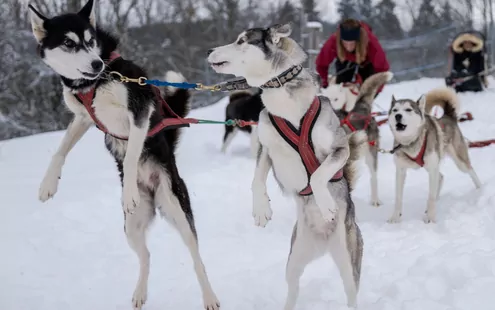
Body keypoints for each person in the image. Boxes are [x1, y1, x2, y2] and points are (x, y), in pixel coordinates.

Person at [315, 18, 390, 93]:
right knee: (341, 88)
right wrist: (324, 84)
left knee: (366, 90)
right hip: (344, 60)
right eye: (345, 43)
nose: (348, 47)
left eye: (352, 43)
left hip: (366, 62)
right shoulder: (333, 41)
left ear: (358, 41)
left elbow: (382, 70)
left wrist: (375, 91)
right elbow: (321, 64)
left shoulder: (371, 43)